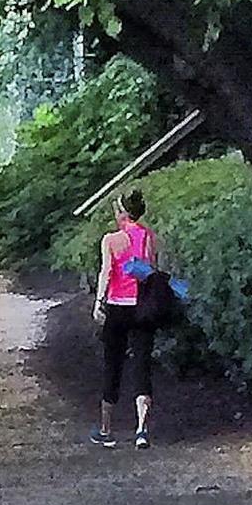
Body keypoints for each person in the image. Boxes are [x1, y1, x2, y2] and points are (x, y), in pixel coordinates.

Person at [91, 189, 158, 450]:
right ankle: (141, 429)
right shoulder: (148, 237)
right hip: (143, 307)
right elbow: (151, 269)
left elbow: (106, 272)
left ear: (122, 212)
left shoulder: (111, 240)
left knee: (113, 364)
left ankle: (106, 429)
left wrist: (99, 303)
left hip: (118, 307)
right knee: (142, 364)